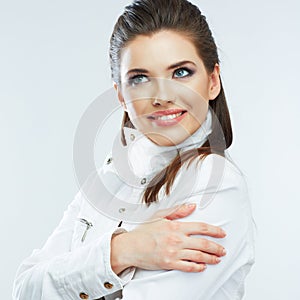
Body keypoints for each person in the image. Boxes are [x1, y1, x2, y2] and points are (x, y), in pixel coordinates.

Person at [13, 0, 255, 299]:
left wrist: (76, 274)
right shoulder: (107, 178)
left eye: (180, 72)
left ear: (213, 81)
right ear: (120, 95)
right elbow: (24, 289)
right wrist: (120, 250)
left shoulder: (215, 183)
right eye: (140, 78)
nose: (163, 96)